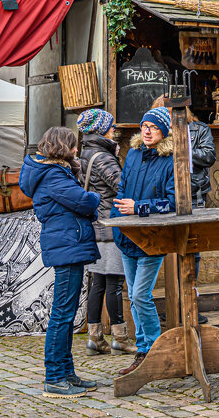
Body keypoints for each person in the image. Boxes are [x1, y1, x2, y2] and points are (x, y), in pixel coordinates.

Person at [20, 126, 101, 398]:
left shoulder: (53, 172)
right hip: (67, 245)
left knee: (65, 312)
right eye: (73, 145)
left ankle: (67, 373)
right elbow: (83, 201)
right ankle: (54, 377)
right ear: (63, 147)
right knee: (62, 314)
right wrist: (95, 198)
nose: (77, 149)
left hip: (68, 243)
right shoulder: (53, 174)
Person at [112, 107, 177, 376]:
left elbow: (173, 202)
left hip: (153, 237)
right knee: (134, 297)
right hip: (127, 235)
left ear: (163, 132)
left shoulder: (171, 159)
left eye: (154, 127)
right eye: (144, 126)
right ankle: (142, 352)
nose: (147, 131)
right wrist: (120, 215)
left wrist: (138, 207)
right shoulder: (133, 155)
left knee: (141, 295)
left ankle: (154, 350)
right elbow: (121, 189)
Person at [149, 96, 215, 324]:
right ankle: (173, 303)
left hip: (194, 195)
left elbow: (208, 156)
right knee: (169, 250)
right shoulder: (156, 132)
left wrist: (182, 147)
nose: (166, 115)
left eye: (170, 111)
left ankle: (189, 303)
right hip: (165, 197)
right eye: (162, 111)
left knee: (192, 250)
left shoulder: (199, 129)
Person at [74, 109, 133, 356]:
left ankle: (95, 337)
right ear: (100, 129)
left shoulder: (85, 153)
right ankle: (120, 337)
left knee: (97, 282)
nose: (114, 130)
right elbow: (122, 186)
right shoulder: (103, 157)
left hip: (95, 225)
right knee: (114, 282)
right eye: (110, 126)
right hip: (109, 226)